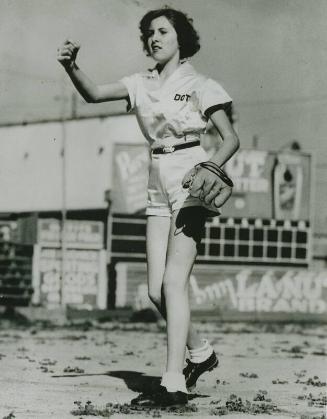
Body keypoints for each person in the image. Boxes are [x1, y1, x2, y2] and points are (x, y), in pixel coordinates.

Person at [57, 6, 239, 407]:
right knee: (157, 290)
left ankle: (173, 383)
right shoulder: (140, 83)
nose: (154, 38)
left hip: (191, 177)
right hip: (157, 178)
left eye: (162, 32)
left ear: (180, 39)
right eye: (149, 33)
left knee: (175, 283)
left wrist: (213, 165)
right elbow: (93, 94)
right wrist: (72, 66)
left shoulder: (200, 84)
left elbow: (229, 139)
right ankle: (201, 353)